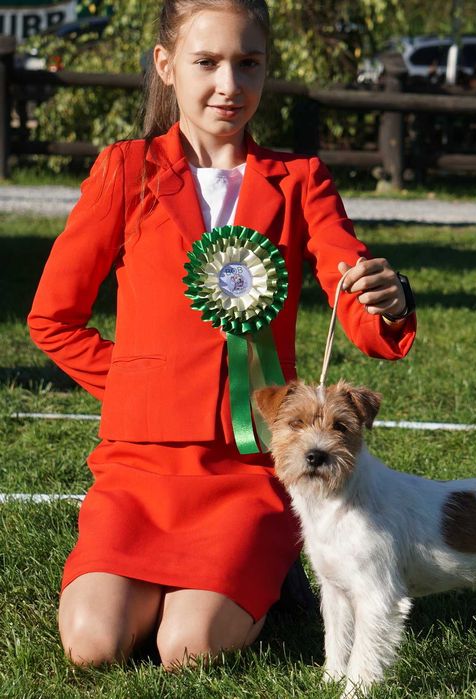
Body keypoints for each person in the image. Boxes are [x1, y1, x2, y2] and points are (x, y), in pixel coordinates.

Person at [27, 0, 416, 669]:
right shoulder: (125, 170)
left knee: (189, 646)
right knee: (92, 644)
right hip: (137, 469)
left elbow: (356, 299)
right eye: (207, 62)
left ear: (266, 68)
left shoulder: (300, 182)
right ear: (166, 65)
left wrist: (386, 299)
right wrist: (139, 386)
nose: (229, 84)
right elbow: (52, 318)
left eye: (248, 63)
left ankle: (262, 562)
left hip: (248, 468)